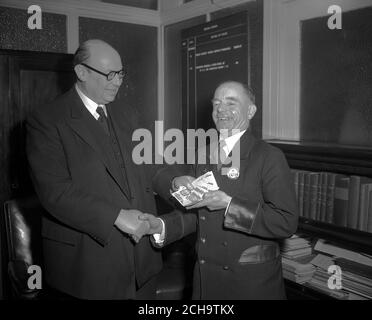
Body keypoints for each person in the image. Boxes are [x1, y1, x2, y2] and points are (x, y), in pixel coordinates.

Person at [26, 39, 162, 299]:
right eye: (109, 74)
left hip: (141, 262)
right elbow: (55, 193)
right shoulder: (46, 120)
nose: (118, 81)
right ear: (81, 72)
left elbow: (149, 164)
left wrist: (176, 181)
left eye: (121, 73)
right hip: (87, 267)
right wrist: (116, 216)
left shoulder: (127, 113)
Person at [141, 81, 299, 299]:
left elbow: (286, 222)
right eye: (216, 104)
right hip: (206, 281)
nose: (221, 110)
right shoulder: (203, 154)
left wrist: (230, 206)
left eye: (231, 103)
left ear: (251, 111)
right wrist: (162, 226)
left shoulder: (269, 157)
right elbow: (199, 216)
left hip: (249, 285)